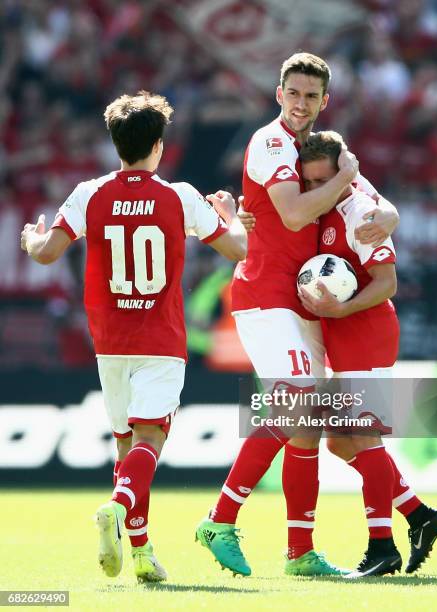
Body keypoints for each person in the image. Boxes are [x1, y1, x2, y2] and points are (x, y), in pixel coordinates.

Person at [20, 91, 247, 583]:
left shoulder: (89, 194)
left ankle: (142, 553)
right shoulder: (180, 197)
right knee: (149, 441)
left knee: (126, 449)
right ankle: (119, 506)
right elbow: (237, 249)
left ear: (115, 143)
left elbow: (44, 253)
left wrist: (30, 237)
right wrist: (228, 213)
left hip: (109, 342)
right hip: (160, 341)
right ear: (160, 146)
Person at [195, 53, 399, 577]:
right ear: (278, 94)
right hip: (264, 297)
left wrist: (387, 210)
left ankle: (299, 552)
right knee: (299, 403)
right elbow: (292, 211)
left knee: (305, 428)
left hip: (300, 300)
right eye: (294, 93)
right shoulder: (270, 142)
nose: (301, 103)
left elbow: (371, 202)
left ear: (324, 101)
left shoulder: (316, 152)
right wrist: (344, 177)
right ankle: (220, 518)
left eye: (312, 96)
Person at [298, 130, 437, 578]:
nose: (315, 191)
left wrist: (341, 306)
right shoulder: (326, 207)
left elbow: (387, 283)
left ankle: (381, 547)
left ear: (345, 175)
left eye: (325, 181)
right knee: (340, 442)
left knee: (363, 438)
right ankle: (420, 516)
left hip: (366, 330)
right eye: (309, 183)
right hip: (341, 332)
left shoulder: (361, 211)